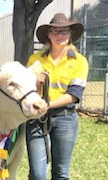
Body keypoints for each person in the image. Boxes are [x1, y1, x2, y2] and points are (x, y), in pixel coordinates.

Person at [25, 13, 88, 180]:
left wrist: (47, 104)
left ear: (70, 34)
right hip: (36, 119)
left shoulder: (79, 61)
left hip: (65, 118)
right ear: (49, 35)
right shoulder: (35, 59)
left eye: (64, 31)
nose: (60, 35)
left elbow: (74, 94)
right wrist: (35, 83)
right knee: (37, 174)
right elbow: (25, 91)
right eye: (55, 31)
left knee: (60, 173)